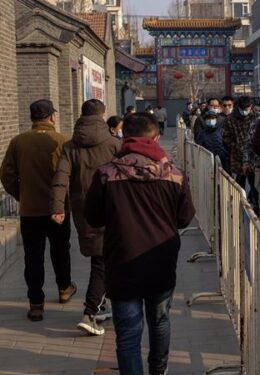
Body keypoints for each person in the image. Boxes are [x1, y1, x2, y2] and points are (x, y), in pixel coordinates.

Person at [85, 112, 195, 375]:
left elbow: (93, 217)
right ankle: (158, 369)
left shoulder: (105, 174)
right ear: (156, 137)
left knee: (128, 331)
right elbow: (184, 218)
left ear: (124, 135)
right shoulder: (174, 175)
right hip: (161, 258)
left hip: (121, 259)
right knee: (159, 320)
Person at [0, 99, 76, 322]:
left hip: (30, 210)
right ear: (52, 117)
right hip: (60, 209)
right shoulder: (62, 141)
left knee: (33, 257)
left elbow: (6, 175)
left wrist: (21, 195)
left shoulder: (18, 142)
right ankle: (64, 289)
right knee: (61, 251)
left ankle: (35, 303)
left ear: (32, 118)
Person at [50, 99, 121, 335]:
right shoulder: (113, 144)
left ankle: (100, 305)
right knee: (103, 261)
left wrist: (57, 207)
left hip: (83, 210)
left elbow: (61, 178)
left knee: (100, 258)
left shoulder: (71, 146)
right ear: (102, 115)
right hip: (113, 208)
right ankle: (91, 312)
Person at [224, 96, 256, 192]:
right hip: (237, 157)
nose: (245, 111)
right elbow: (226, 138)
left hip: (252, 156)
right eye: (242, 109)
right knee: (239, 185)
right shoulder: (231, 119)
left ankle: (254, 203)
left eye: (247, 109)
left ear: (251, 106)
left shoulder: (256, 117)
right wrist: (236, 146)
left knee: (254, 184)